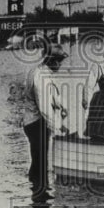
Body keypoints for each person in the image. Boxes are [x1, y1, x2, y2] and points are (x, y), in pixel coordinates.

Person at [21, 45, 69, 196]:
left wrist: (61, 104)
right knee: (40, 164)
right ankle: (40, 198)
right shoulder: (40, 76)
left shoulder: (41, 72)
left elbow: (51, 94)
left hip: (35, 122)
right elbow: (44, 107)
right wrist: (57, 127)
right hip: (36, 123)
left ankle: (37, 195)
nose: (61, 65)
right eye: (59, 62)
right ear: (52, 61)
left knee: (39, 162)